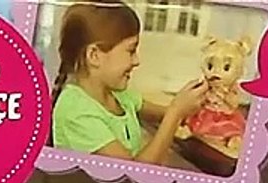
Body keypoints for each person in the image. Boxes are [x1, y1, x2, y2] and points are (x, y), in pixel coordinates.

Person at [49, 2, 208, 165]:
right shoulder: (76, 113)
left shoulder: (119, 97)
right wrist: (176, 112)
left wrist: (192, 106)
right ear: (94, 55)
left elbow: (165, 113)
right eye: (131, 51)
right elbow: (133, 173)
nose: (137, 61)